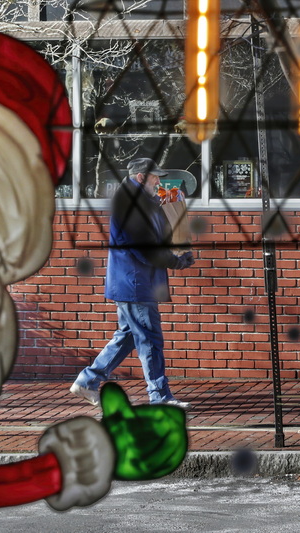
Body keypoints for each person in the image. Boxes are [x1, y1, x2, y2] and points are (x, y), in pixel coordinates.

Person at [70, 157, 195, 409]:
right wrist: (175, 261)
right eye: (154, 177)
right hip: (136, 283)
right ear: (141, 177)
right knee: (149, 339)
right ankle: (159, 396)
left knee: (128, 335)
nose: (159, 181)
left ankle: (87, 381)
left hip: (133, 282)